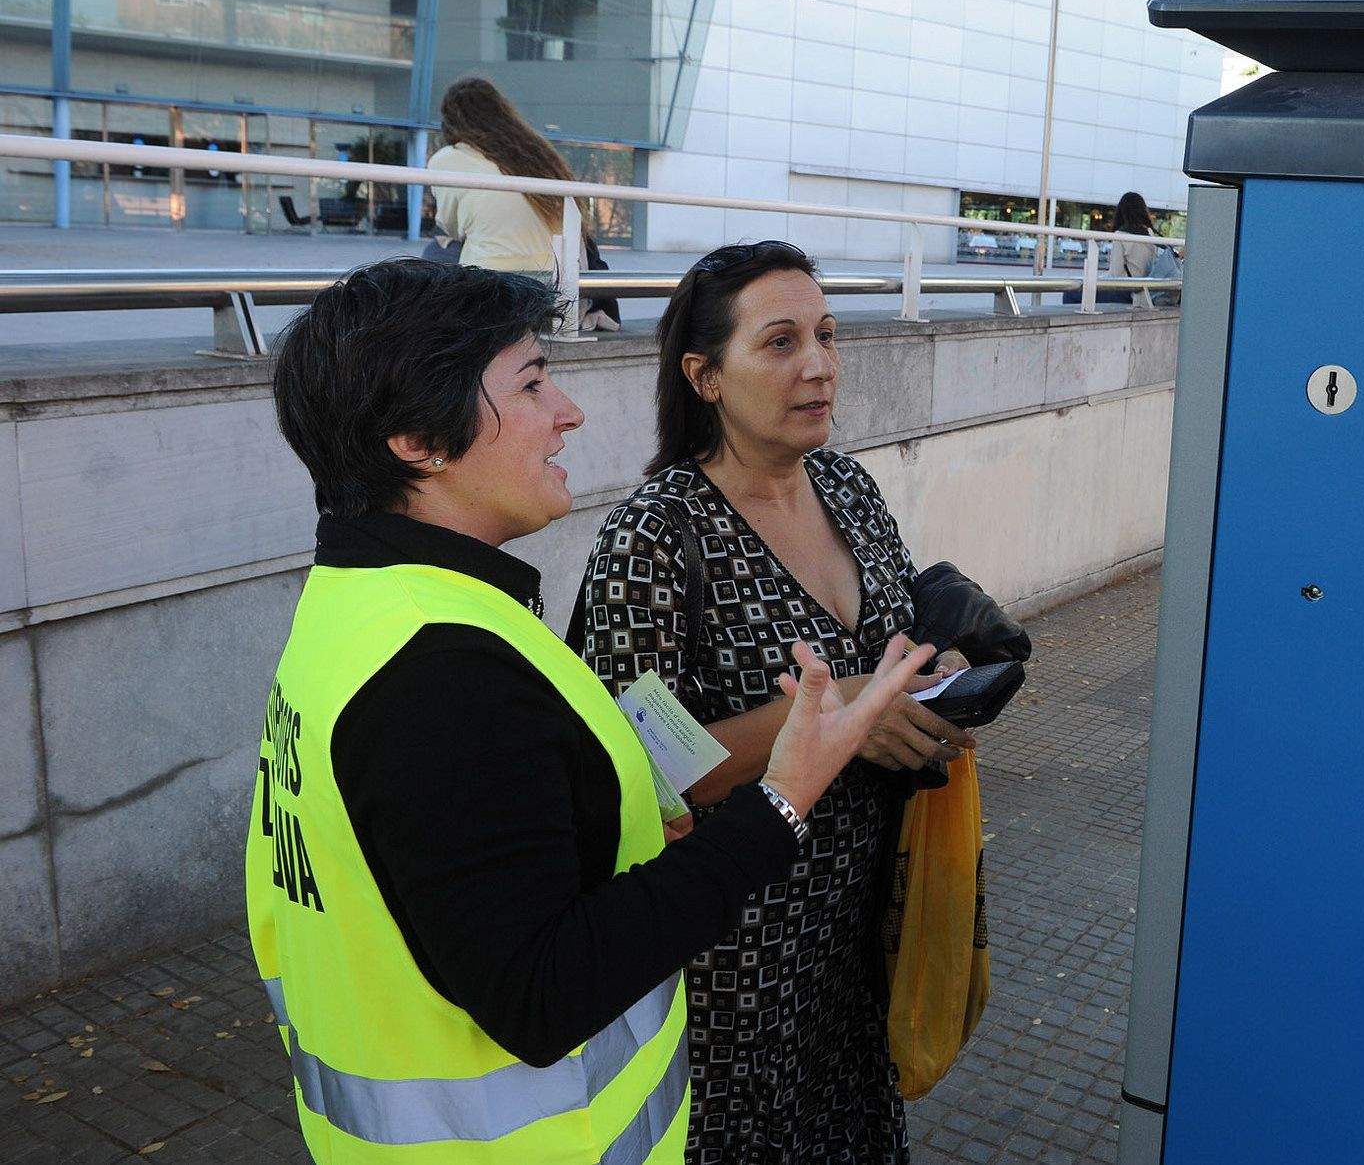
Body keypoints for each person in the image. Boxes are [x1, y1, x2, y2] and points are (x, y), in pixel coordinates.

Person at [247, 257, 932, 1164]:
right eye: (532, 383)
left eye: (826, 335)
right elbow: (542, 990)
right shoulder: (442, 667)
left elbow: (493, 851)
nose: (567, 412)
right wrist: (782, 797)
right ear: (418, 438)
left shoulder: (376, 609)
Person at [577, 241, 977, 1165]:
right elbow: (637, 776)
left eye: (827, 336)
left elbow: (893, 640)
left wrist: (937, 669)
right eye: (782, 341)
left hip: (859, 937)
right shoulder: (654, 535)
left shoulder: (846, 485)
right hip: (732, 962)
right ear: (705, 376)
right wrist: (838, 720)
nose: (821, 365)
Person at [428, 75, 618, 328]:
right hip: (560, 293)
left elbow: (450, 226)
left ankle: (438, 330)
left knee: (436, 250)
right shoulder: (537, 153)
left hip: (494, 292)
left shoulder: (448, 158)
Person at [1111, 190, 1161, 307]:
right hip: (1146, 290)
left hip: (1127, 291)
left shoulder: (1120, 235)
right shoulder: (1150, 232)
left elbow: (1115, 273)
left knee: (1073, 294)